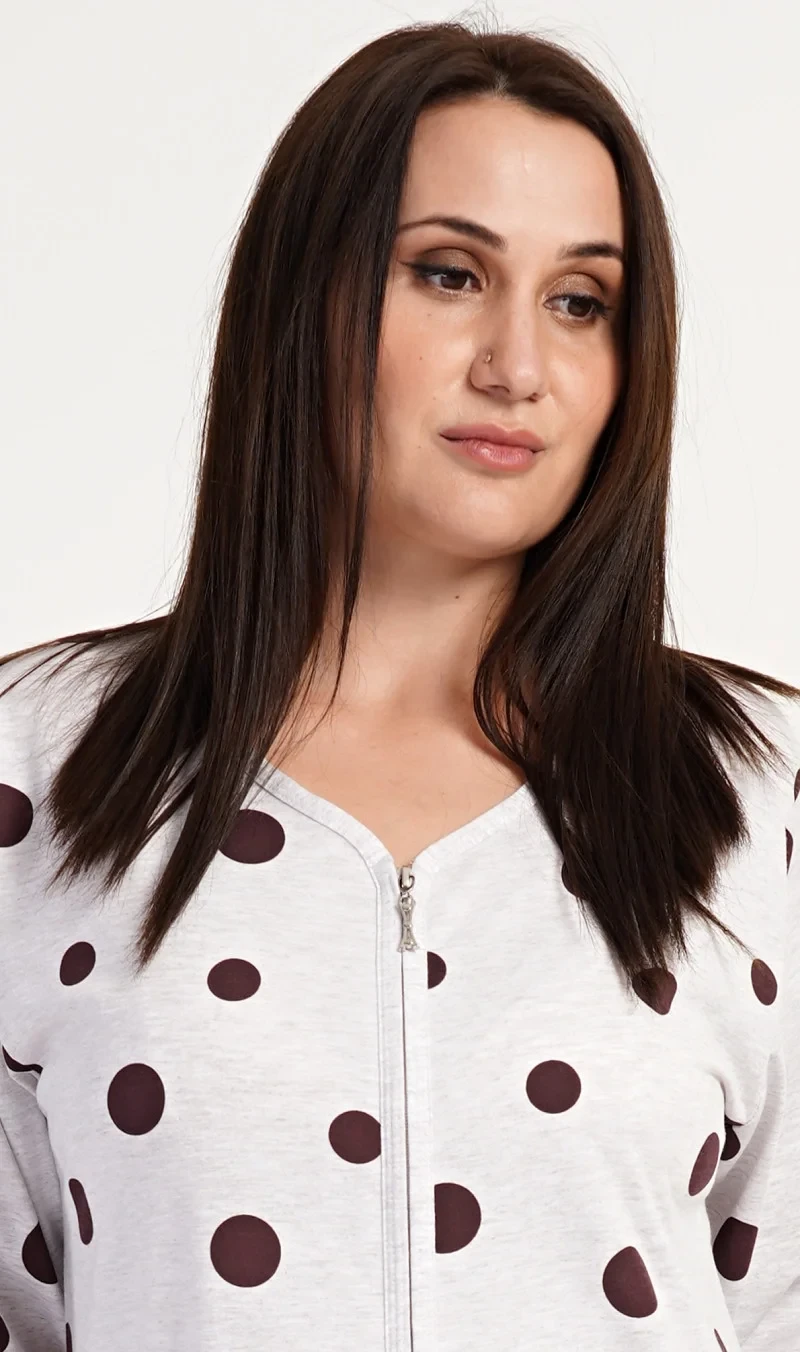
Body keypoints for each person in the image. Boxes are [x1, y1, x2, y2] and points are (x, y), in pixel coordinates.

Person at [0, 18, 798, 1352]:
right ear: (302, 298)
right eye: (447, 274)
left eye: (580, 302)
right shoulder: (40, 769)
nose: (518, 367)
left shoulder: (759, 797)